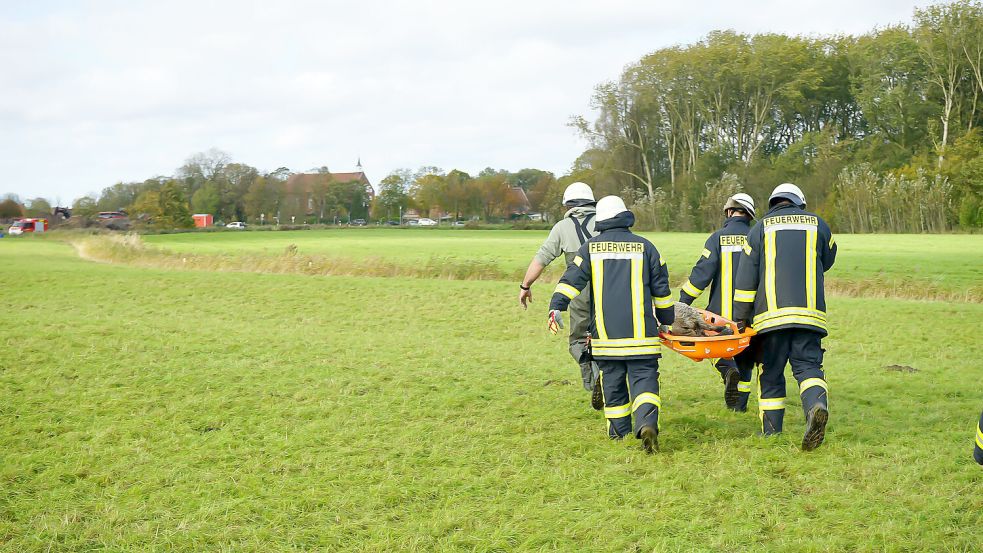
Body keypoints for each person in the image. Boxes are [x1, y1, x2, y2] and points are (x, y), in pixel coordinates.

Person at [547, 196, 675, 453]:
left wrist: (556, 305)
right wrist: (666, 320)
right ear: (625, 216)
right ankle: (647, 423)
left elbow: (571, 280)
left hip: (606, 338)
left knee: (613, 383)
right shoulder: (647, 247)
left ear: (601, 220)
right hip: (643, 338)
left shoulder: (590, 248)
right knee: (645, 380)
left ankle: (619, 433)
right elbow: (662, 291)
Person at [733, 183, 836, 451]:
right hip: (810, 317)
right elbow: (830, 256)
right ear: (799, 202)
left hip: (770, 320)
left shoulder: (760, 229)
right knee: (809, 368)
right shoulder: (818, 224)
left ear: (773, 203)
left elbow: (746, 279)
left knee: (771, 374)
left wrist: (741, 318)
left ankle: (771, 433)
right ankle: (816, 406)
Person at [520, 182, 601, 409]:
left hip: (578, 292)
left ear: (568, 204)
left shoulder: (562, 228)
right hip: (610, 289)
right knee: (611, 338)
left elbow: (542, 258)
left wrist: (525, 285)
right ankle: (612, 379)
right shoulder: (607, 222)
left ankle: (593, 380)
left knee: (577, 340)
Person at [679, 193, 756, 411]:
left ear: (729, 212)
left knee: (717, 350)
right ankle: (739, 405)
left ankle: (726, 368)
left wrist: (683, 302)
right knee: (746, 355)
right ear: (749, 215)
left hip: (721, 314)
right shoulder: (758, 236)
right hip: (751, 312)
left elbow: (701, 274)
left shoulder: (717, 238)